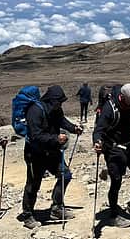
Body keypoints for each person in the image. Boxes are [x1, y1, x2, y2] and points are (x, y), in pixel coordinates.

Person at [19, 85, 83, 229]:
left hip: (52, 151)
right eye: (59, 101)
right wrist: (56, 138)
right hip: (35, 154)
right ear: (51, 99)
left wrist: (73, 128)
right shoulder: (35, 111)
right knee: (33, 184)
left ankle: (57, 208)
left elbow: (62, 120)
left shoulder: (55, 109)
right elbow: (35, 136)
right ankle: (28, 215)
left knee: (65, 175)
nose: (60, 104)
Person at [92, 83, 130, 228]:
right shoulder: (110, 109)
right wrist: (97, 142)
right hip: (112, 148)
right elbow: (99, 130)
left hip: (128, 145)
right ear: (122, 98)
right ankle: (113, 215)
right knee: (116, 180)